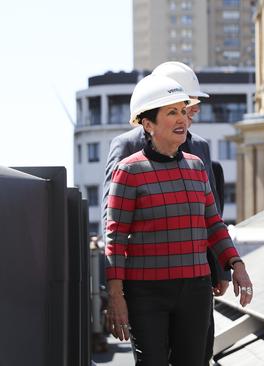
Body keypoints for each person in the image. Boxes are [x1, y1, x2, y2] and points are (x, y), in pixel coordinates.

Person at [104, 74, 253, 366]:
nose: (181, 119)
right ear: (148, 124)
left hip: (194, 291)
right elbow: (116, 237)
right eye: (171, 112)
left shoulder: (197, 167)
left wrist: (237, 265)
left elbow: (213, 224)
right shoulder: (128, 171)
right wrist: (116, 296)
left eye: (183, 111)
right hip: (146, 294)